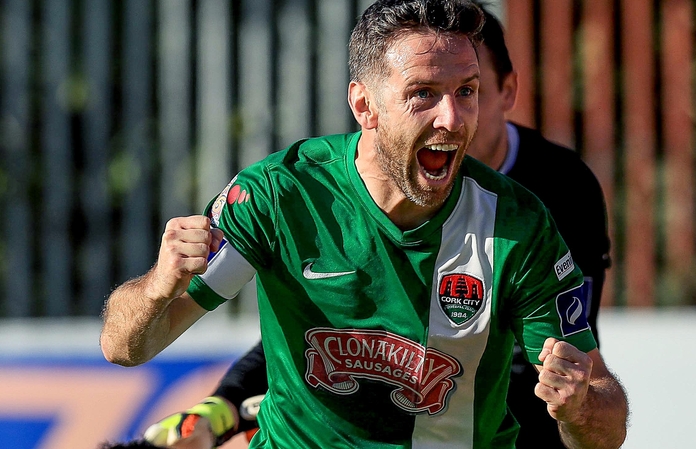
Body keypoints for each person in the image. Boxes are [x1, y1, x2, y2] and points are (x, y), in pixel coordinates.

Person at [100, 1, 628, 448]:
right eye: (423, 93)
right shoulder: (280, 196)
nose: (451, 118)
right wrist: (157, 287)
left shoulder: (519, 221)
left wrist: (579, 407)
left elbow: (602, 421)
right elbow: (125, 348)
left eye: (467, 91)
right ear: (364, 105)